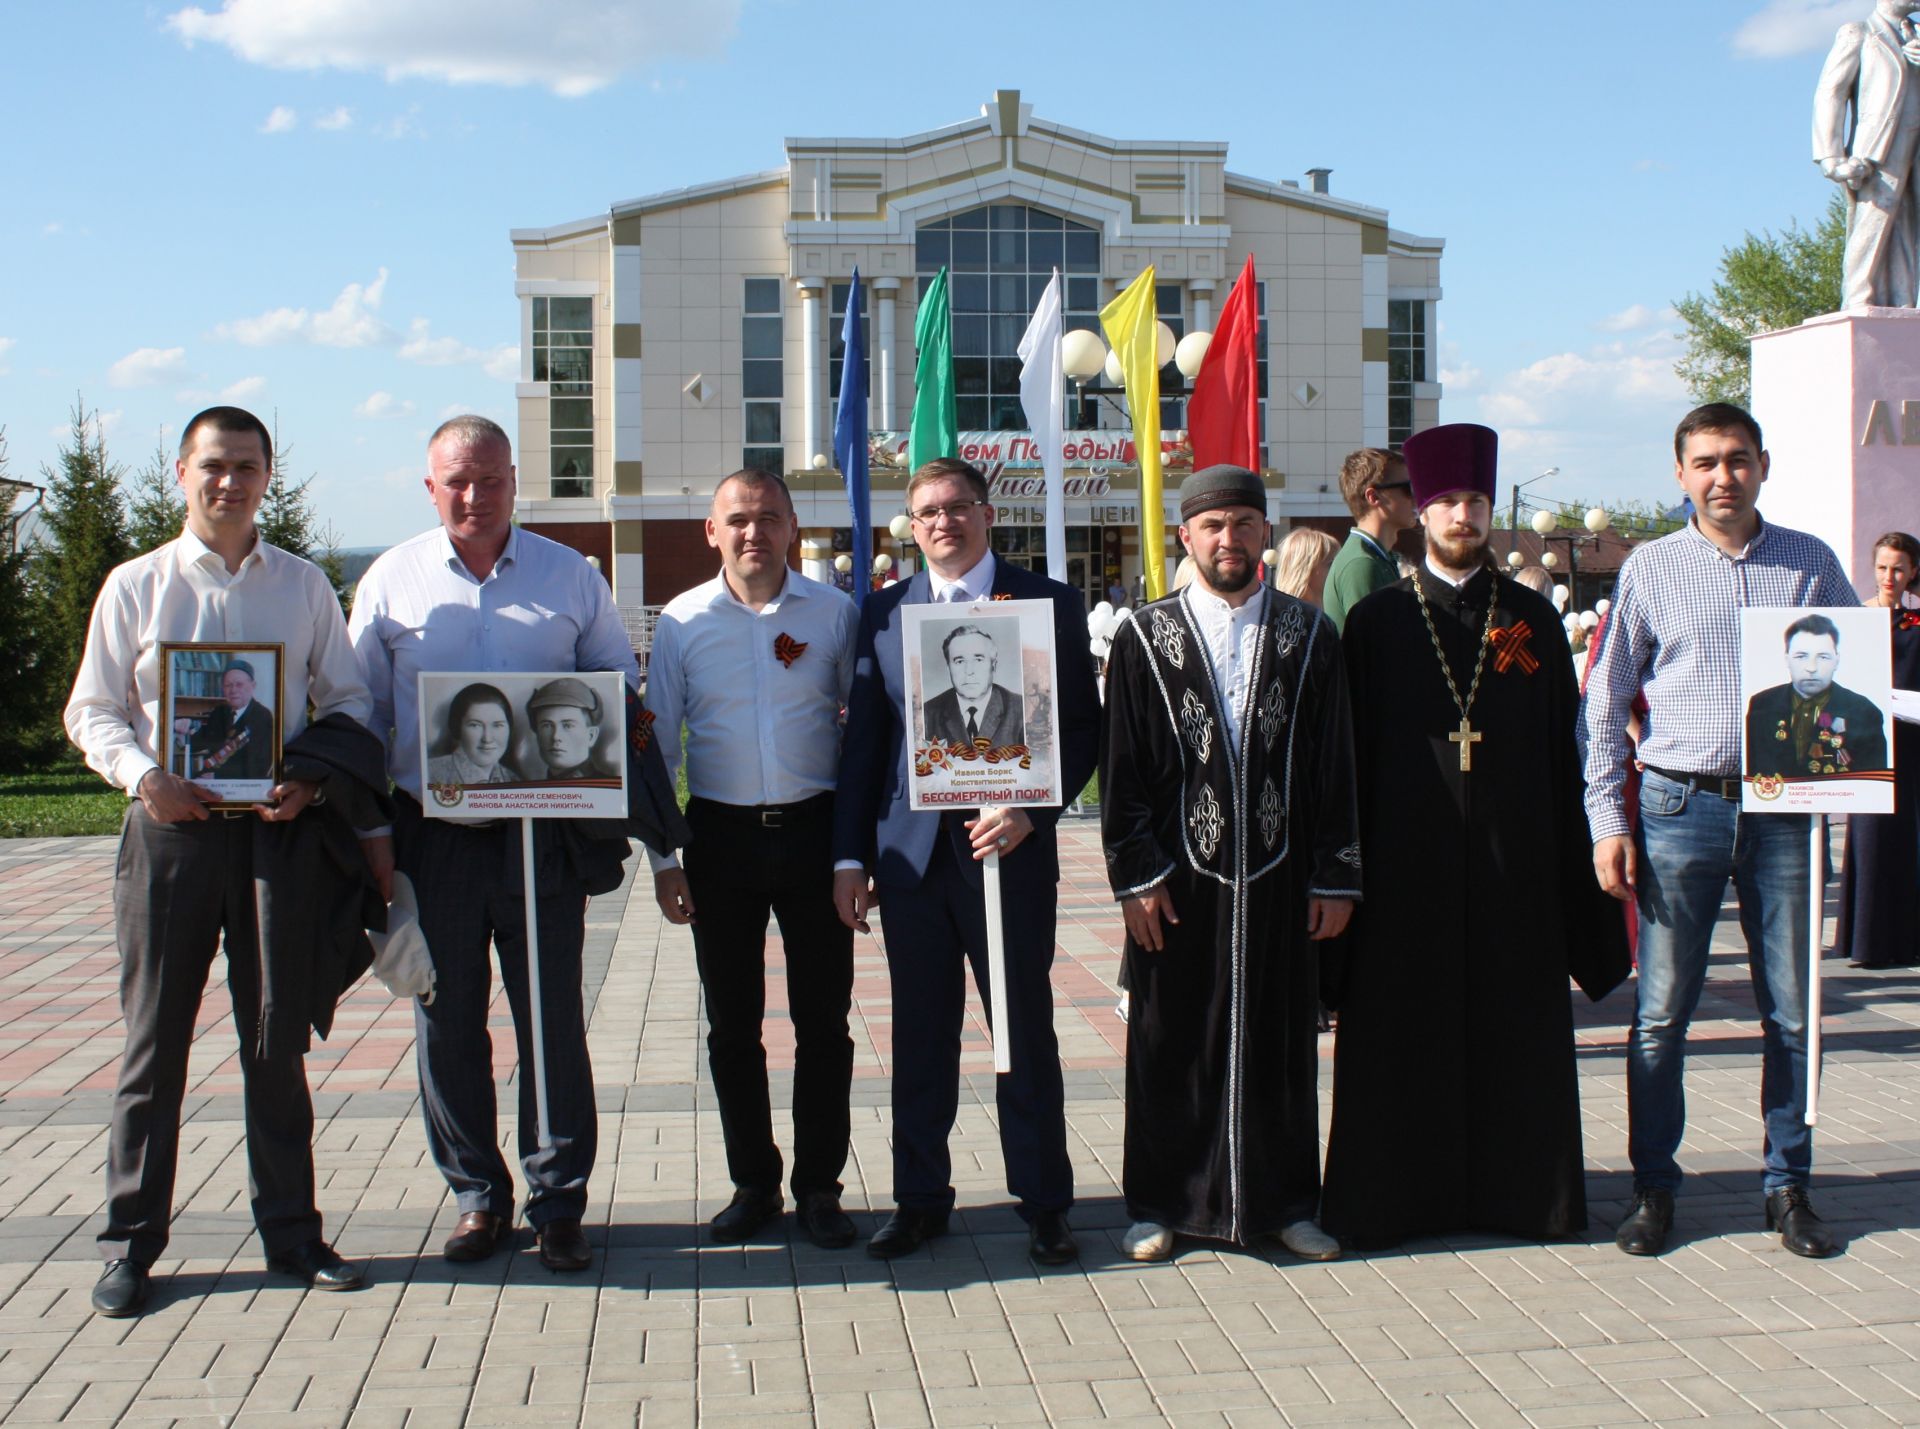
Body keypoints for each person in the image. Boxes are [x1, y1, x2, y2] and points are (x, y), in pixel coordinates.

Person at [65, 405, 384, 1317]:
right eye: (213, 465)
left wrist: (314, 784)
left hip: (276, 833)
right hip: (171, 833)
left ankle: (292, 1233)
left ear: (267, 476)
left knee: (274, 1038)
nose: (229, 482)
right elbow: (93, 711)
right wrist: (143, 776)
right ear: (180, 471)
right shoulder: (136, 585)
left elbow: (349, 700)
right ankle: (131, 1241)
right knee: (153, 1042)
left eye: (246, 466)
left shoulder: (302, 585)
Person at [1320, 424, 1628, 1249]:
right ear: (1420, 510)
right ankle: (1392, 1201)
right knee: (1399, 1036)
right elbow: (1344, 759)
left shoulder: (1523, 621)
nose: (1463, 513)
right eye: (1448, 500)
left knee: (1512, 1036)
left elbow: (1562, 747)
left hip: (1510, 867)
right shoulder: (1380, 621)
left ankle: (1525, 1198)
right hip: (1402, 867)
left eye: (1477, 500)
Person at [349, 415, 640, 1273]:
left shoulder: (569, 575)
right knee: (446, 1024)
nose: (475, 497)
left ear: (517, 480)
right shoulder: (391, 580)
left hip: (540, 838)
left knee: (551, 1019)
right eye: (457, 482)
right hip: (429, 838)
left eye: (492, 480)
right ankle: (478, 1196)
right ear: (430, 486)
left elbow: (618, 682)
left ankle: (558, 1200)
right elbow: (360, 712)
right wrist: (372, 831)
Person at [1582, 402, 1859, 1260]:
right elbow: (1603, 699)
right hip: (1677, 806)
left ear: (1763, 465)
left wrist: (1856, 765)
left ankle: (1788, 1185)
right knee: (1662, 1013)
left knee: (1794, 1011)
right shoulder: (1653, 568)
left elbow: (1855, 679)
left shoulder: (1810, 563)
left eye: (1737, 459)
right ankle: (1654, 1189)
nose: (1722, 476)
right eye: (1705, 462)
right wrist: (1606, 819)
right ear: (1680, 475)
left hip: (1785, 812)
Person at [831, 456, 1100, 1266]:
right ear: (910, 527)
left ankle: (1046, 1202)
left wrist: (1032, 810)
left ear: (987, 514)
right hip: (911, 862)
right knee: (918, 1034)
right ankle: (919, 1200)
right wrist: (849, 856)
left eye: (958, 507)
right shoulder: (881, 613)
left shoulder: (1047, 603)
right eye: (926, 512)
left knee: (1022, 1030)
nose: (943, 522)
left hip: (1009, 854)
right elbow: (863, 748)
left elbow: (1082, 730)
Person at [1100, 464, 1359, 1263]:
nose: (1229, 539)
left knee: (1282, 1045)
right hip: (1178, 886)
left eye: (1244, 524)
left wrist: (1335, 873)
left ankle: (1285, 1204)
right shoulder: (1145, 635)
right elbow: (1124, 770)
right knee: (1169, 1041)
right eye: (1213, 526)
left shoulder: (1309, 634)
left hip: (1282, 881)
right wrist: (1134, 876)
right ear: (1188, 536)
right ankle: (1160, 1204)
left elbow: (1333, 765)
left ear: (1265, 536)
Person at [645, 469, 859, 1248]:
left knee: (824, 1024)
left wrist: (851, 857)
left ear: (793, 527)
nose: (753, 533)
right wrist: (664, 857)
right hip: (719, 842)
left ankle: (821, 1186)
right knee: (732, 1026)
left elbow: (861, 738)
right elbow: (658, 743)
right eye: (737, 519)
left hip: (814, 836)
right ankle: (754, 1183)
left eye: (770, 518)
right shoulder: (680, 622)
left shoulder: (835, 614)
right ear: (712, 531)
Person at [1838, 531, 1920, 967]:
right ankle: (1865, 940)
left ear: (1913, 572)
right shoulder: (1853, 619)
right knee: (1869, 837)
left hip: (1911, 746)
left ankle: (1906, 938)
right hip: (1866, 744)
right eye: (1884, 567)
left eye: (1900, 568)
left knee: (1906, 838)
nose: (1890, 576)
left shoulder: (1919, 623)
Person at [1814, 0, 1920, 309]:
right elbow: (1831, 93)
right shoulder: (1858, 32)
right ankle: (1859, 299)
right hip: (1878, 148)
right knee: (1876, 215)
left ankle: (1903, 301)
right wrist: (1831, 157)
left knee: (1907, 221)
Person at [1744, 613, 1889, 780]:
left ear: (1837, 660)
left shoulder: (1864, 712)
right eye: (1801, 656)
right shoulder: (1761, 704)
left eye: (1822, 657)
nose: (1811, 667)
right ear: (1787, 659)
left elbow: (1873, 782)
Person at [1323, 447, 1417, 632]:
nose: (1415, 498)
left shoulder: (1376, 558)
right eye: (1408, 489)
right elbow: (1376, 650)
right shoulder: (1362, 564)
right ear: (1374, 497)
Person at [921, 624, 1026, 749]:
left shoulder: (1022, 710)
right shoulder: (926, 714)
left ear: (994, 665)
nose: (969, 671)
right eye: (959, 661)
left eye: (978, 660)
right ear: (948, 667)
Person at [180, 660, 276, 780]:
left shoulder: (262, 716)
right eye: (228, 685)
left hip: (243, 786)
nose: (233, 690)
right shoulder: (219, 712)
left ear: (253, 686)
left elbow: (259, 766)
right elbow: (197, 743)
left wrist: (219, 776)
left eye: (239, 684)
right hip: (209, 780)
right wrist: (183, 731)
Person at [427, 682, 520, 786]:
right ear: (457, 727)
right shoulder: (430, 773)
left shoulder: (513, 780)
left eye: (497, 725)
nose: (487, 738)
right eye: (475, 725)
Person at [528, 677, 616, 780]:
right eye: (547, 725)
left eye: (568, 726)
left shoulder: (609, 788)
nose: (556, 736)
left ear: (591, 736)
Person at [1272, 527, 1340, 607]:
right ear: (1306, 569)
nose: (1338, 569)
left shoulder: (1332, 610)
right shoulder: (1286, 614)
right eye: (1331, 564)